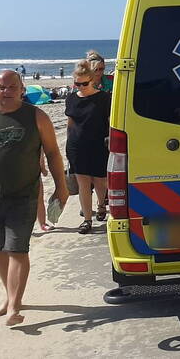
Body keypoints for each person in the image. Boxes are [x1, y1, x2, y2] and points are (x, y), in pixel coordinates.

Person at [0, 70, 68, 326]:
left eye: (11, 87)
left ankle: (14, 307)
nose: (6, 91)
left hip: (23, 195)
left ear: (21, 90)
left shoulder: (36, 116)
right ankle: (8, 298)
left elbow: (53, 153)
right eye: (1, 87)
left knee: (17, 249)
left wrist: (61, 187)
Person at [64, 60, 111, 234]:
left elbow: (109, 123)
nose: (81, 87)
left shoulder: (104, 98)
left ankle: (101, 205)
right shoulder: (71, 99)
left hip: (99, 145)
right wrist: (68, 147)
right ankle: (87, 219)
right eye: (77, 83)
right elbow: (70, 124)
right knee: (83, 182)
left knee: (99, 180)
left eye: (84, 83)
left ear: (92, 80)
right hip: (77, 146)